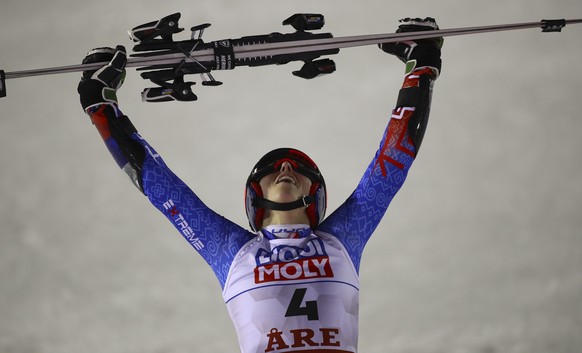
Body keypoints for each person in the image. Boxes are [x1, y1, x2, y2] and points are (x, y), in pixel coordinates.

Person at [77, 17, 443, 353]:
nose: (286, 167)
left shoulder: (340, 240)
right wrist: (101, 107)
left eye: (299, 169)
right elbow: (167, 192)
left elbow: (389, 166)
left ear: (314, 195)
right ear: (256, 196)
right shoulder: (236, 252)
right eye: (273, 169)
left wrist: (421, 67)